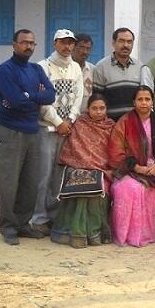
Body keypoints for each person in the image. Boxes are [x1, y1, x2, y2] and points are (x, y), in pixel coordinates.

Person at [0, 29, 56, 245]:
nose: (28, 46)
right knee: (8, 181)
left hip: (33, 130)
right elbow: (14, 100)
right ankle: (8, 226)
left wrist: (29, 95)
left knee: (31, 181)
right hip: (9, 130)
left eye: (32, 43)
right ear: (14, 45)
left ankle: (22, 223)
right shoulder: (5, 70)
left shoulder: (36, 69)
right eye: (24, 42)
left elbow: (50, 95)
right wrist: (35, 97)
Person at [31, 29, 84, 235]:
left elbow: (78, 97)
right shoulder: (42, 67)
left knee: (59, 174)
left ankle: (54, 216)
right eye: (63, 42)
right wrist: (58, 122)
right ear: (55, 44)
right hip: (46, 129)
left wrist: (70, 120)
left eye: (70, 42)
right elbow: (42, 101)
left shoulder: (76, 68)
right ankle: (38, 217)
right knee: (43, 174)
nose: (67, 46)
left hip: (67, 129)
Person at [108, 86, 155, 247]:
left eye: (147, 99)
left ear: (152, 102)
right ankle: (124, 234)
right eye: (140, 99)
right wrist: (136, 167)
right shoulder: (125, 122)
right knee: (124, 189)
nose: (144, 103)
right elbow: (116, 150)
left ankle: (145, 234)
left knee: (148, 190)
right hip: (129, 169)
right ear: (134, 102)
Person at [50, 93, 115, 248]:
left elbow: (115, 151)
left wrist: (101, 168)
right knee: (81, 185)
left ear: (106, 109)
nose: (98, 112)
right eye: (94, 108)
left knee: (100, 188)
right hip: (78, 166)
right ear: (87, 109)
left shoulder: (112, 126)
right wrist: (88, 165)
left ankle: (96, 234)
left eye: (102, 108)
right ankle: (73, 234)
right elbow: (73, 148)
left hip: (103, 169)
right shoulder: (79, 124)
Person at [93, 28, 142, 121]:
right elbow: (97, 99)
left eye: (129, 42)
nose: (125, 45)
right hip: (111, 124)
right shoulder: (101, 67)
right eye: (121, 41)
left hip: (134, 123)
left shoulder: (140, 67)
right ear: (113, 43)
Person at [72, 33, 95, 112]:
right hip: (67, 116)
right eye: (81, 47)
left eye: (88, 48)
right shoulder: (65, 69)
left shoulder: (92, 70)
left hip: (87, 116)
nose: (85, 52)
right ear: (73, 47)